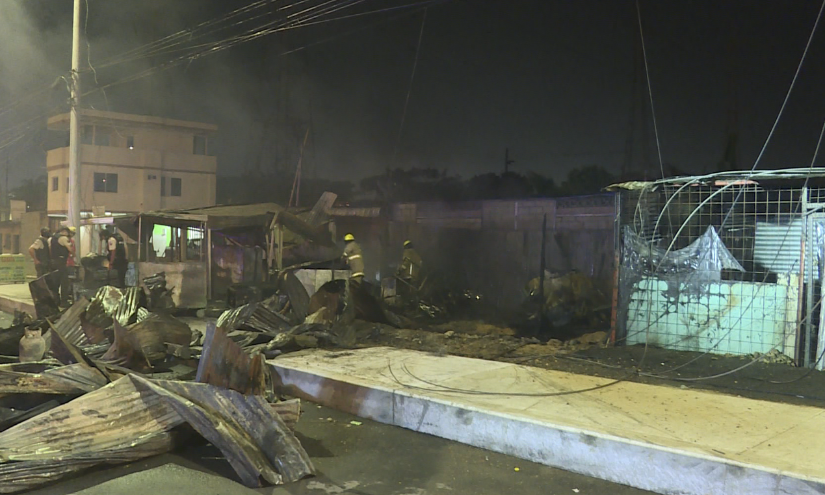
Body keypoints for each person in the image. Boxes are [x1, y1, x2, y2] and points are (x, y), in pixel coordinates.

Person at [49, 226, 74, 306]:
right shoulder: (63, 238)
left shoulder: (52, 238)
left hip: (53, 262)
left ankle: (55, 301)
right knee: (64, 282)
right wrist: (73, 254)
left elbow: (50, 249)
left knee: (55, 282)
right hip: (61, 262)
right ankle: (64, 301)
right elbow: (70, 249)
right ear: (64, 231)